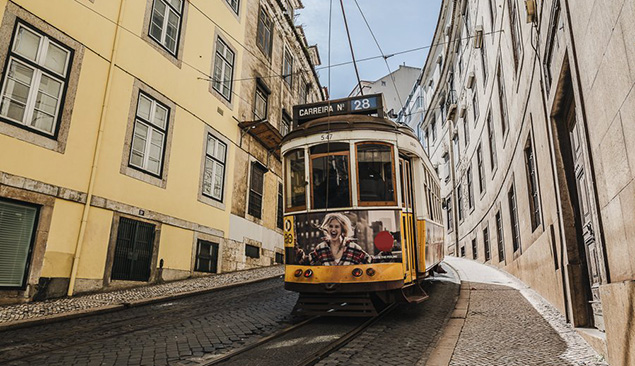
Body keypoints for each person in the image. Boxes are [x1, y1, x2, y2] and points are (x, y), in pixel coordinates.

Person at [296, 213, 370, 266]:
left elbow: (370, 261)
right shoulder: (321, 248)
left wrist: (381, 255)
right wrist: (299, 254)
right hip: (327, 287)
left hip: (349, 287)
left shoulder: (354, 248)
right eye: (330, 226)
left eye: (337, 226)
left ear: (342, 229)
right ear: (327, 228)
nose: (333, 229)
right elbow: (306, 262)